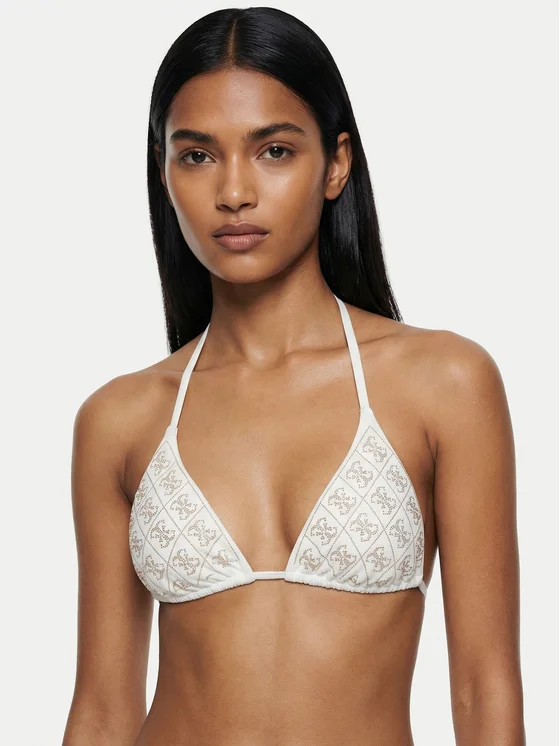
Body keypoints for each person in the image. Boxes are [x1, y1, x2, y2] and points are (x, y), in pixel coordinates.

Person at [62, 7, 525, 745]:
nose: (234, 192)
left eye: (274, 151)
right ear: (164, 172)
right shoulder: (120, 419)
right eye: (197, 155)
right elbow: (102, 710)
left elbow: (483, 687)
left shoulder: (444, 383)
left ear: (336, 164)